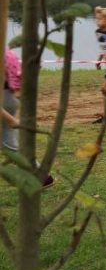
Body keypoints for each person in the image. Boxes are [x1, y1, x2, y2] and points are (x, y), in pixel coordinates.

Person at [3, 48, 53, 188]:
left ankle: (41, 176)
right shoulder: (7, 52)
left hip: (4, 101)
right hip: (9, 97)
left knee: (9, 145)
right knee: (10, 142)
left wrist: (12, 120)